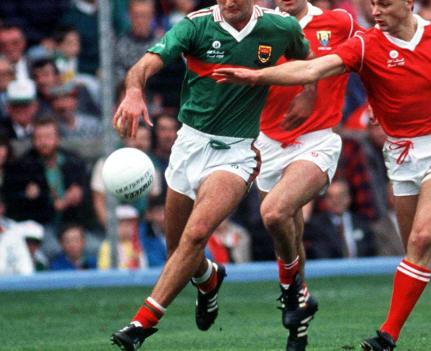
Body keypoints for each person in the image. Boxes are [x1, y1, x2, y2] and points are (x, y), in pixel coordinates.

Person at [213, 0, 431, 348]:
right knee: (421, 250)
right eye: (372, 4)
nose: (376, 11)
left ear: (407, 4)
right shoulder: (365, 44)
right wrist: (257, 76)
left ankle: (387, 335)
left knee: (420, 241)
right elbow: (314, 69)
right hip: (401, 152)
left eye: (384, 4)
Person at [109, 0, 311, 349]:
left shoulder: (281, 28)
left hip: (237, 153)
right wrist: (132, 90)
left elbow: (307, 61)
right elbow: (143, 66)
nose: (229, 1)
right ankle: (208, 278)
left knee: (197, 233)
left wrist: (308, 95)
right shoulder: (195, 26)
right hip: (188, 146)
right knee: (179, 251)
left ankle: (140, 324)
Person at [254, 0, 360, 348]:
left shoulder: (339, 22)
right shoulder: (261, 26)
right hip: (268, 141)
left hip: (317, 139)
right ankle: (298, 325)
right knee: (288, 231)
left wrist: (376, 104)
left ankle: (292, 292)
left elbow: (368, 57)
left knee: (275, 212)